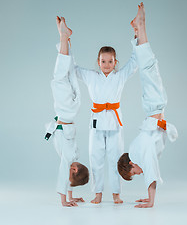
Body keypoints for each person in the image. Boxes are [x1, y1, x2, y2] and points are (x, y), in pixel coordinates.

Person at [73, 12, 140, 205]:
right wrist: (66, 43)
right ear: (98, 61)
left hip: (115, 122)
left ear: (115, 62)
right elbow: (74, 69)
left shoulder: (119, 76)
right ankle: (98, 193)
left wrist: (136, 36)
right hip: (96, 122)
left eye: (110, 61)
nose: (107, 65)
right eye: (103, 61)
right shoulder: (91, 76)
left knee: (117, 159)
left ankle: (117, 193)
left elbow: (134, 64)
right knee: (96, 159)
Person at [117, 2, 178, 208]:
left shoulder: (138, 152)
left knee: (148, 66)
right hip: (154, 107)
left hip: (154, 106)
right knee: (148, 67)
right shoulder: (138, 151)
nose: (138, 173)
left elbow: (151, 171)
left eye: (134, 173)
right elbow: (149, 168)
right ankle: (137, 29)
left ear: (131, 165)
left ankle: (140, 26)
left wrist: (151, 201)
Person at [44, 16, 89, 207]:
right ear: (74, 170)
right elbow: (64, 174)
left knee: (68, 73)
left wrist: (71, 197)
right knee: (59, 77)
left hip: (70, 112)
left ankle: (66, 39)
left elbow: (67, 176)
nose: (69, 172)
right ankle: (64, 38)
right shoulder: (70, 159)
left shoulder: (72, 157)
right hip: (66, 112)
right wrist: (64, 200)